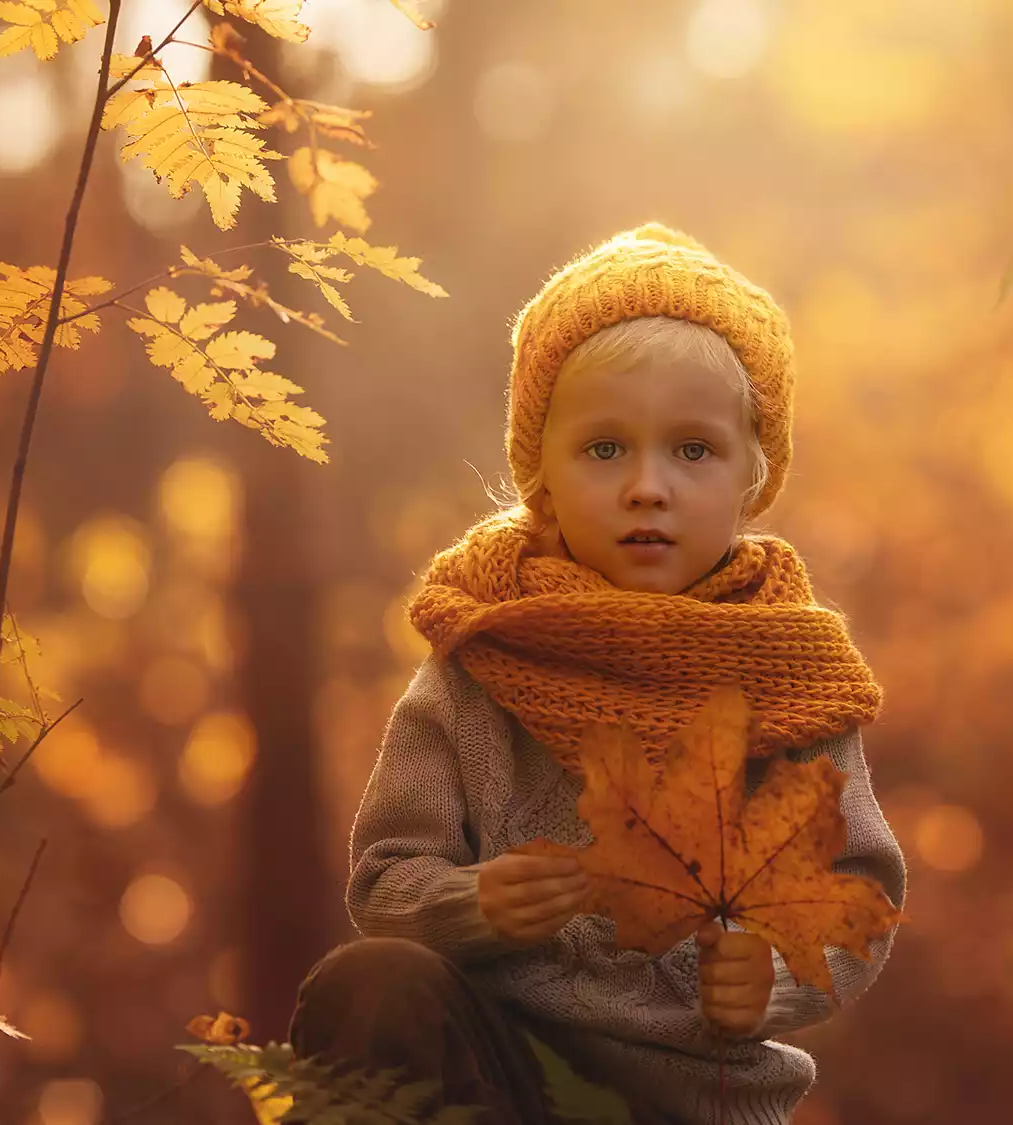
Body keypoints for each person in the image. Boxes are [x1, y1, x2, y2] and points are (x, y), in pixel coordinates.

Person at [288, 222, 907, 1125]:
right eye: (605, 449)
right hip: (500, 1071)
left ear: (753, 476)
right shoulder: (486, 657)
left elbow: (861, 893)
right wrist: (471, 903)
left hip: (697, 1098)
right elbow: (383, 879)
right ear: (541, 474)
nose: (647, 486)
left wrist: (772, 972)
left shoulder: (790, 676)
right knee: (370, 983)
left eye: (692, 450)